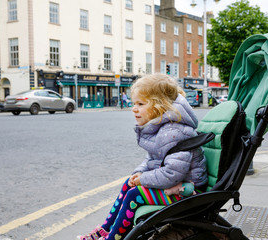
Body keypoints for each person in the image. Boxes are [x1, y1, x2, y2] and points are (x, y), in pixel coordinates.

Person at [77, 74, 208, 240]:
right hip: (176, 184)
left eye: (140, 104)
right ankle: (105, 230)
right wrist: (138, 173)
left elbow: (171, 174)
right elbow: (152, 159)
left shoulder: (174, 132)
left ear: (160, 105)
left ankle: (113, 238)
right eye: (134, 103)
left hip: (188, 192)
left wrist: (143, 179)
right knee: (128, 184)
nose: (134, 108)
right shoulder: (164, 128)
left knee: (134, 195)